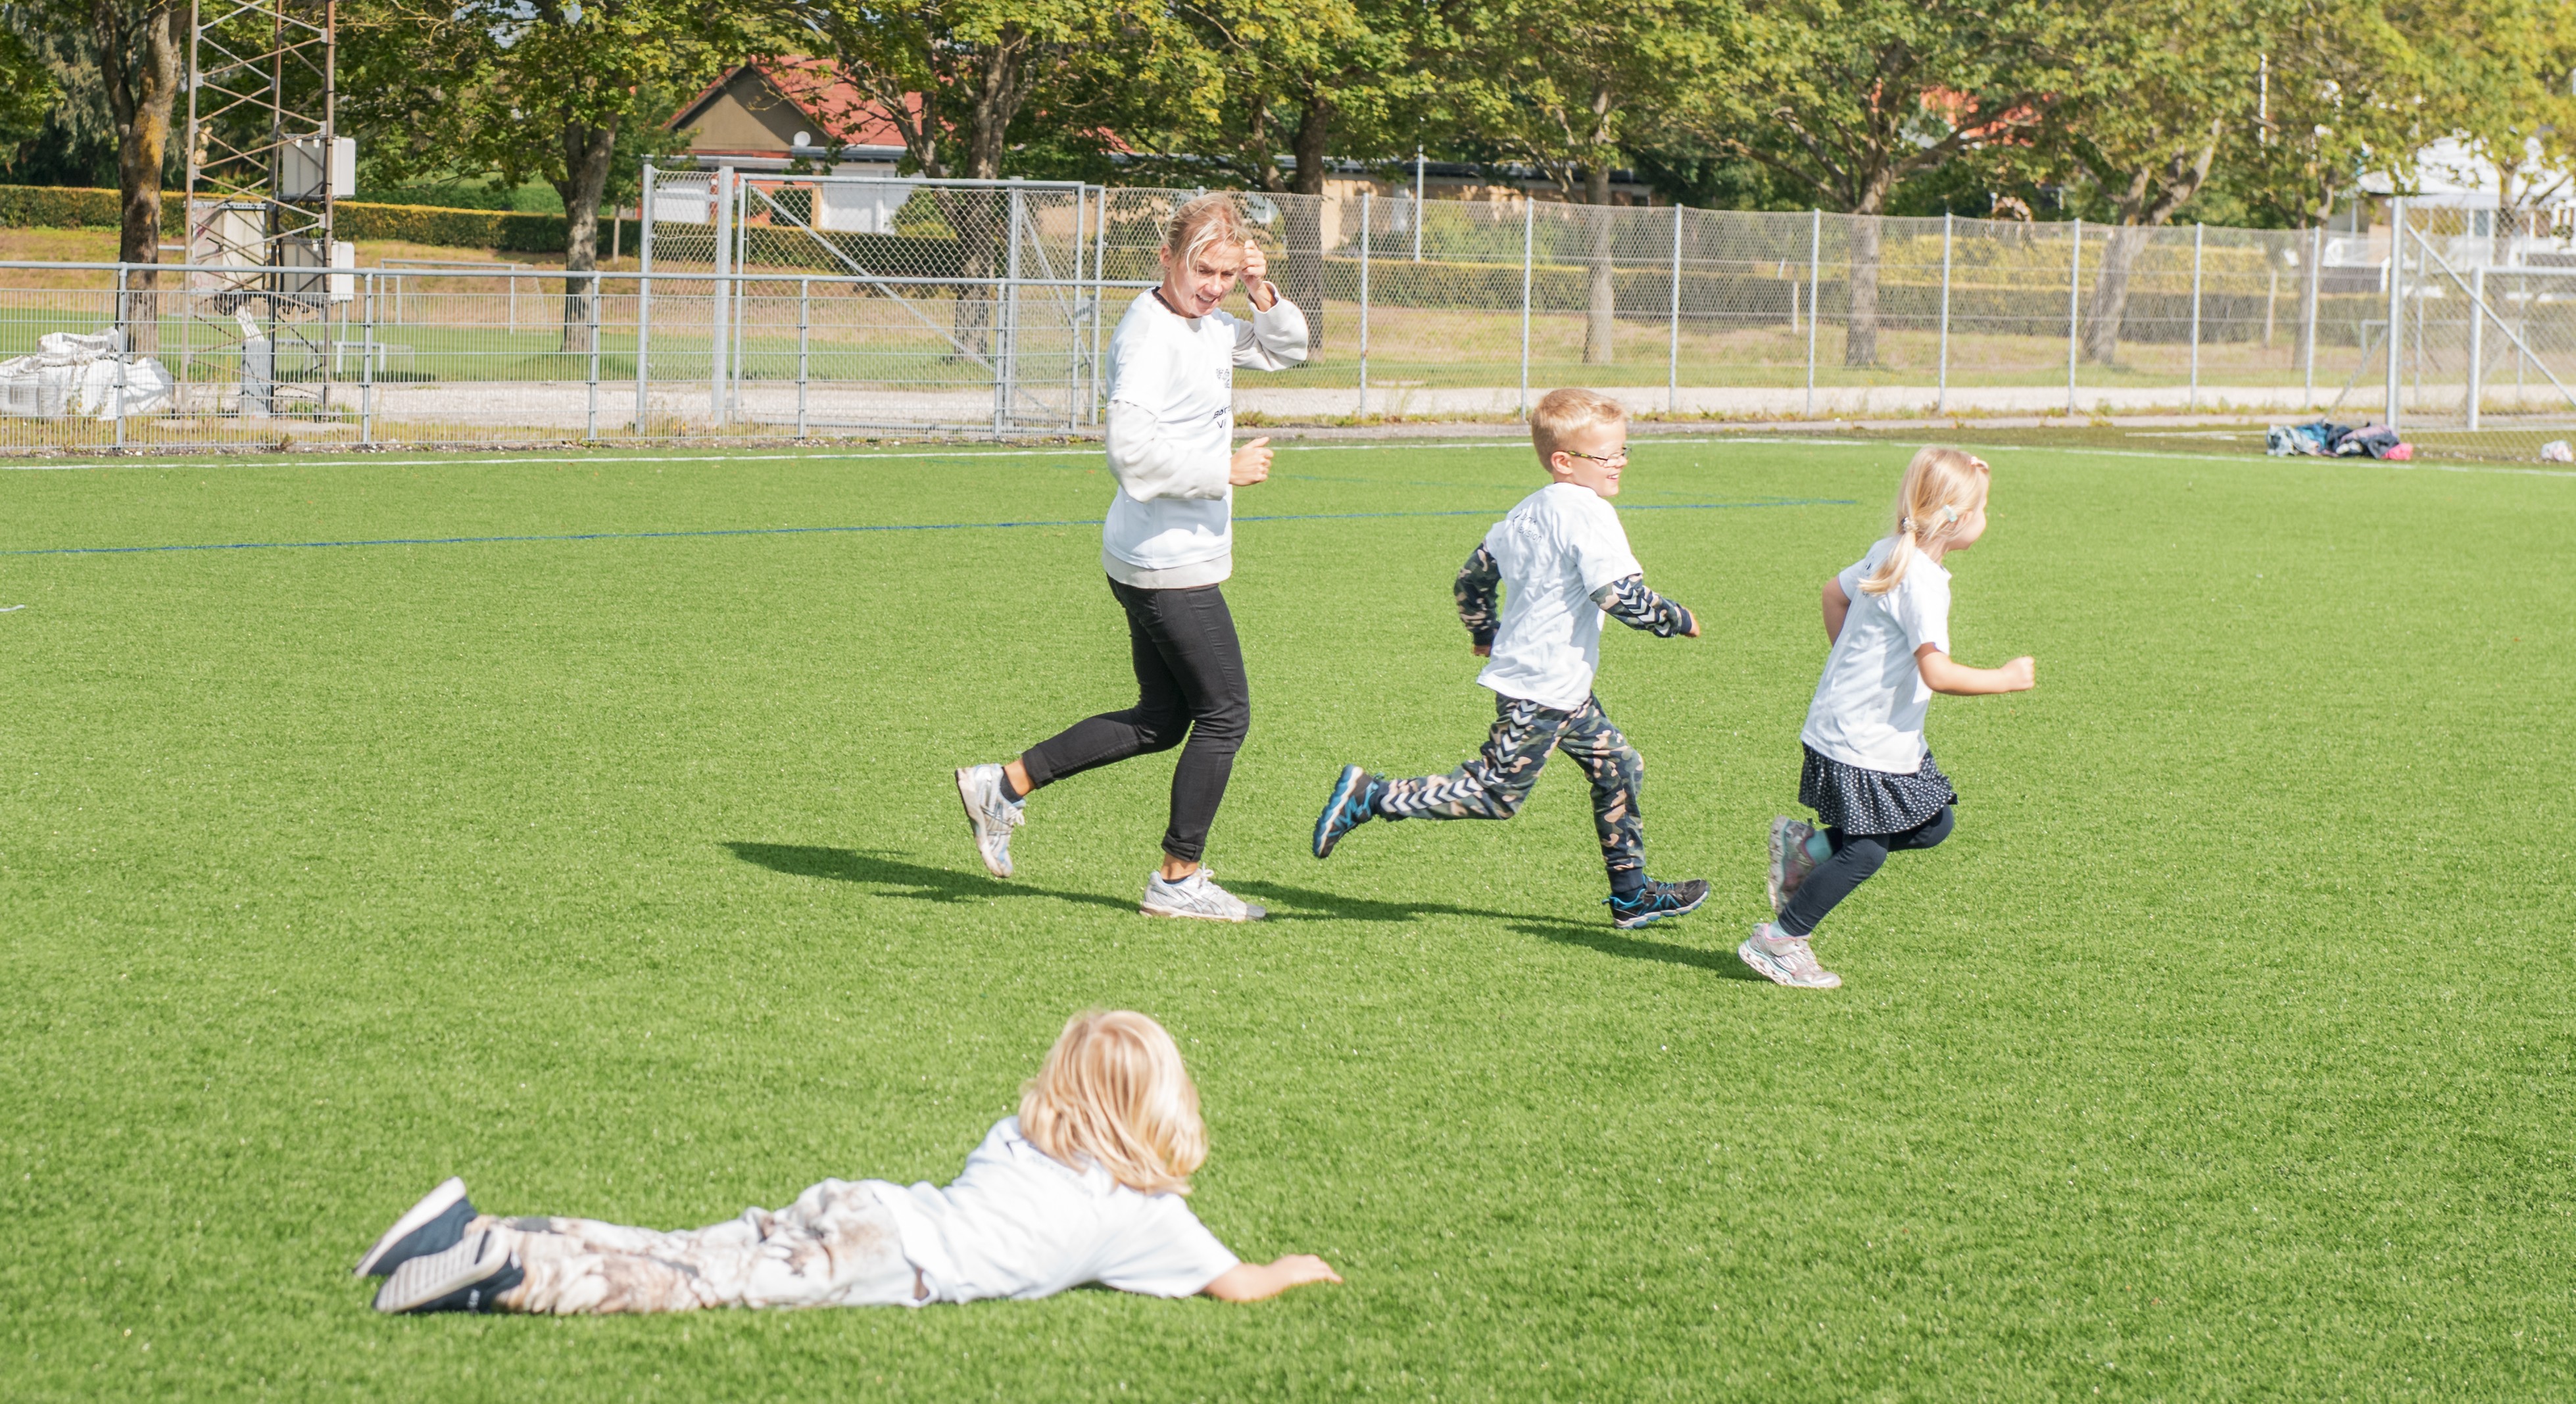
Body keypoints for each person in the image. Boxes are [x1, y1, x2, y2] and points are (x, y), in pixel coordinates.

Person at [354, 1011, 1342, 1315]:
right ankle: (513, 1272)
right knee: (699, 1282)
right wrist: (1292, 1267)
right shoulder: (1146, 1212)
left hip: (867, 1199)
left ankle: (481, 1228)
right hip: (891, 1256)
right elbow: (1238, 1284)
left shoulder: (1027, 1133)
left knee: (696, 1243)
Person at [954, 194, 1309, 922]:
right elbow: (1130, 456)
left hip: (1157, 554)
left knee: (1160, 718)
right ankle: (1178, 879)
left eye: (1222, 271)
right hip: (1164, 561)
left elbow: (1284, 349)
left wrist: (1259, 291)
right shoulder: (1149, 338)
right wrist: (1224, 471)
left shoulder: (1206, 322)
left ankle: (1004, 784)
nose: (1211, 285)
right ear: (1165, 260)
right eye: (1200, 269)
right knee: (1225, 715)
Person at [1307, 388, 1710, 929]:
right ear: (1564, 462)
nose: (1620, 463)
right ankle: (1372, 795)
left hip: (1559, 684)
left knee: (1618, 766)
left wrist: (1482, 630)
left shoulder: (1528, 510)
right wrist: (1675, 618)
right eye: (1607, 455)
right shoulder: (1587, 513)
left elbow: (1471, 577)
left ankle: (1630, 895)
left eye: (1622, 451)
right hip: (1540, 686)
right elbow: (1617, 596)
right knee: (1495, 793)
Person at [1744, 447, 2035, 990]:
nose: (1988, 517)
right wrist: (2005, 677)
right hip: (1860, 739)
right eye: (1984, 506)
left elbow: (1833, 595)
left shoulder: (1890, 551)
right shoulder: (1922, 582)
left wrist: (1848, 666)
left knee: (1933, 823)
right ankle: (1781, 938)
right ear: (1956, 518)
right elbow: (1938, 672)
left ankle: (1806, 852)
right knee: (1867, 850)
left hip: (1871, 731)